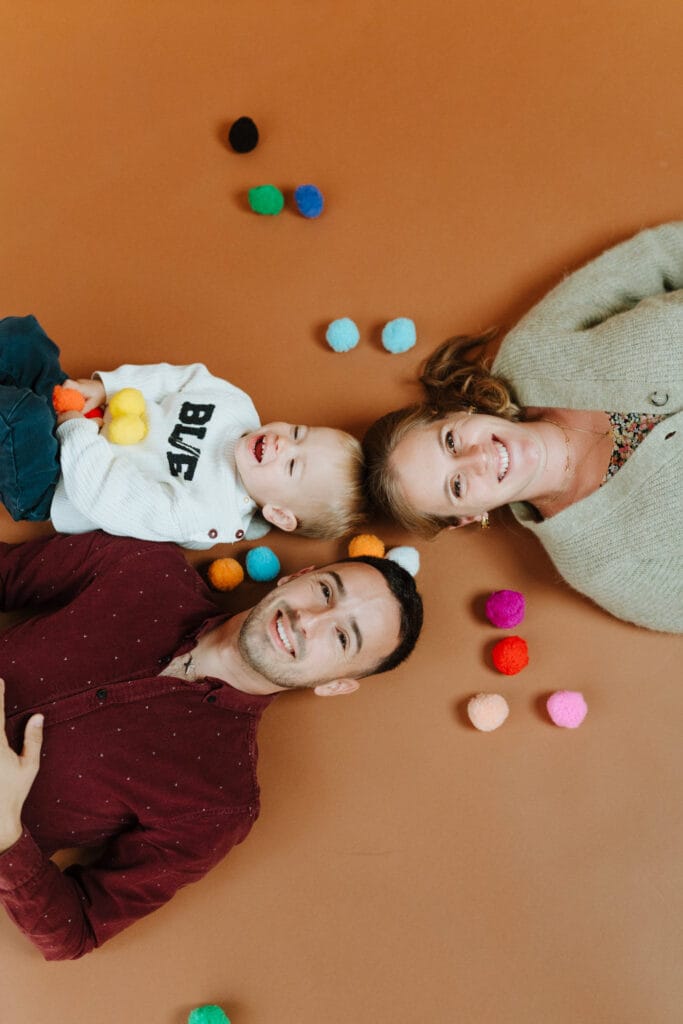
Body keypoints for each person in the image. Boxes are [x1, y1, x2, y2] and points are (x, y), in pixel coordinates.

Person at [0, 529, 424, 960]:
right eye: (325, 591)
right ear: (297, 576)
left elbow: (76, 931)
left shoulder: (221, 802)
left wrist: (6, 833)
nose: (309, 620)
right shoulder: (144, 565)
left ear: (336, 685)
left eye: (341, 638)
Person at [363, 222, 683, 632]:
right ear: (467, 517)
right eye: (457, 486)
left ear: (456, 413)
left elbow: (654, 257)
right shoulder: (600, 562)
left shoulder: (531, 355)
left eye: (451, 442)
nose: (478, 458)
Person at [0, 315, 365, 546]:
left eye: (291, 466)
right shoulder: (237, 406)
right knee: (23, 340)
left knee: (21, 416)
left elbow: (110, 497)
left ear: (278, 514)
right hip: (83, 409)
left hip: (57, 479)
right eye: (299, 432)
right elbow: (174, 379)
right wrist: (107, 387)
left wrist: (75, 428)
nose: (284, 444)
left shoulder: (206, 513)